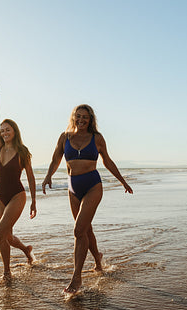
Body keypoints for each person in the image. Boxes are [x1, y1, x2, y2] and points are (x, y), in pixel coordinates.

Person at [42, 104, 133, 294]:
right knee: (85, 229)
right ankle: (98, 259)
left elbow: (107, 161)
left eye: (85, 117)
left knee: (78, 230)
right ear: (73, 117)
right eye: (78, 116)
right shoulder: (64, 137)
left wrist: (123, 182)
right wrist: (48, 176)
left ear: (91, 119)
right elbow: (55, 159)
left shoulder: (97, 138)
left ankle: (77, 278)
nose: (81, 120)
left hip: (92, 185)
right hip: (72, 188)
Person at [0, 83, 37, 281]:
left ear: (14, 131)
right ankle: (26, 250)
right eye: (2, 130)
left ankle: (7, 272)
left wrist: (33, 201)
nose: (5, 132)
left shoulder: (22, 152)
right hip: (0, 197)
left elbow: (31, 177)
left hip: (17, 196)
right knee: (6, 236)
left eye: (8, 130)